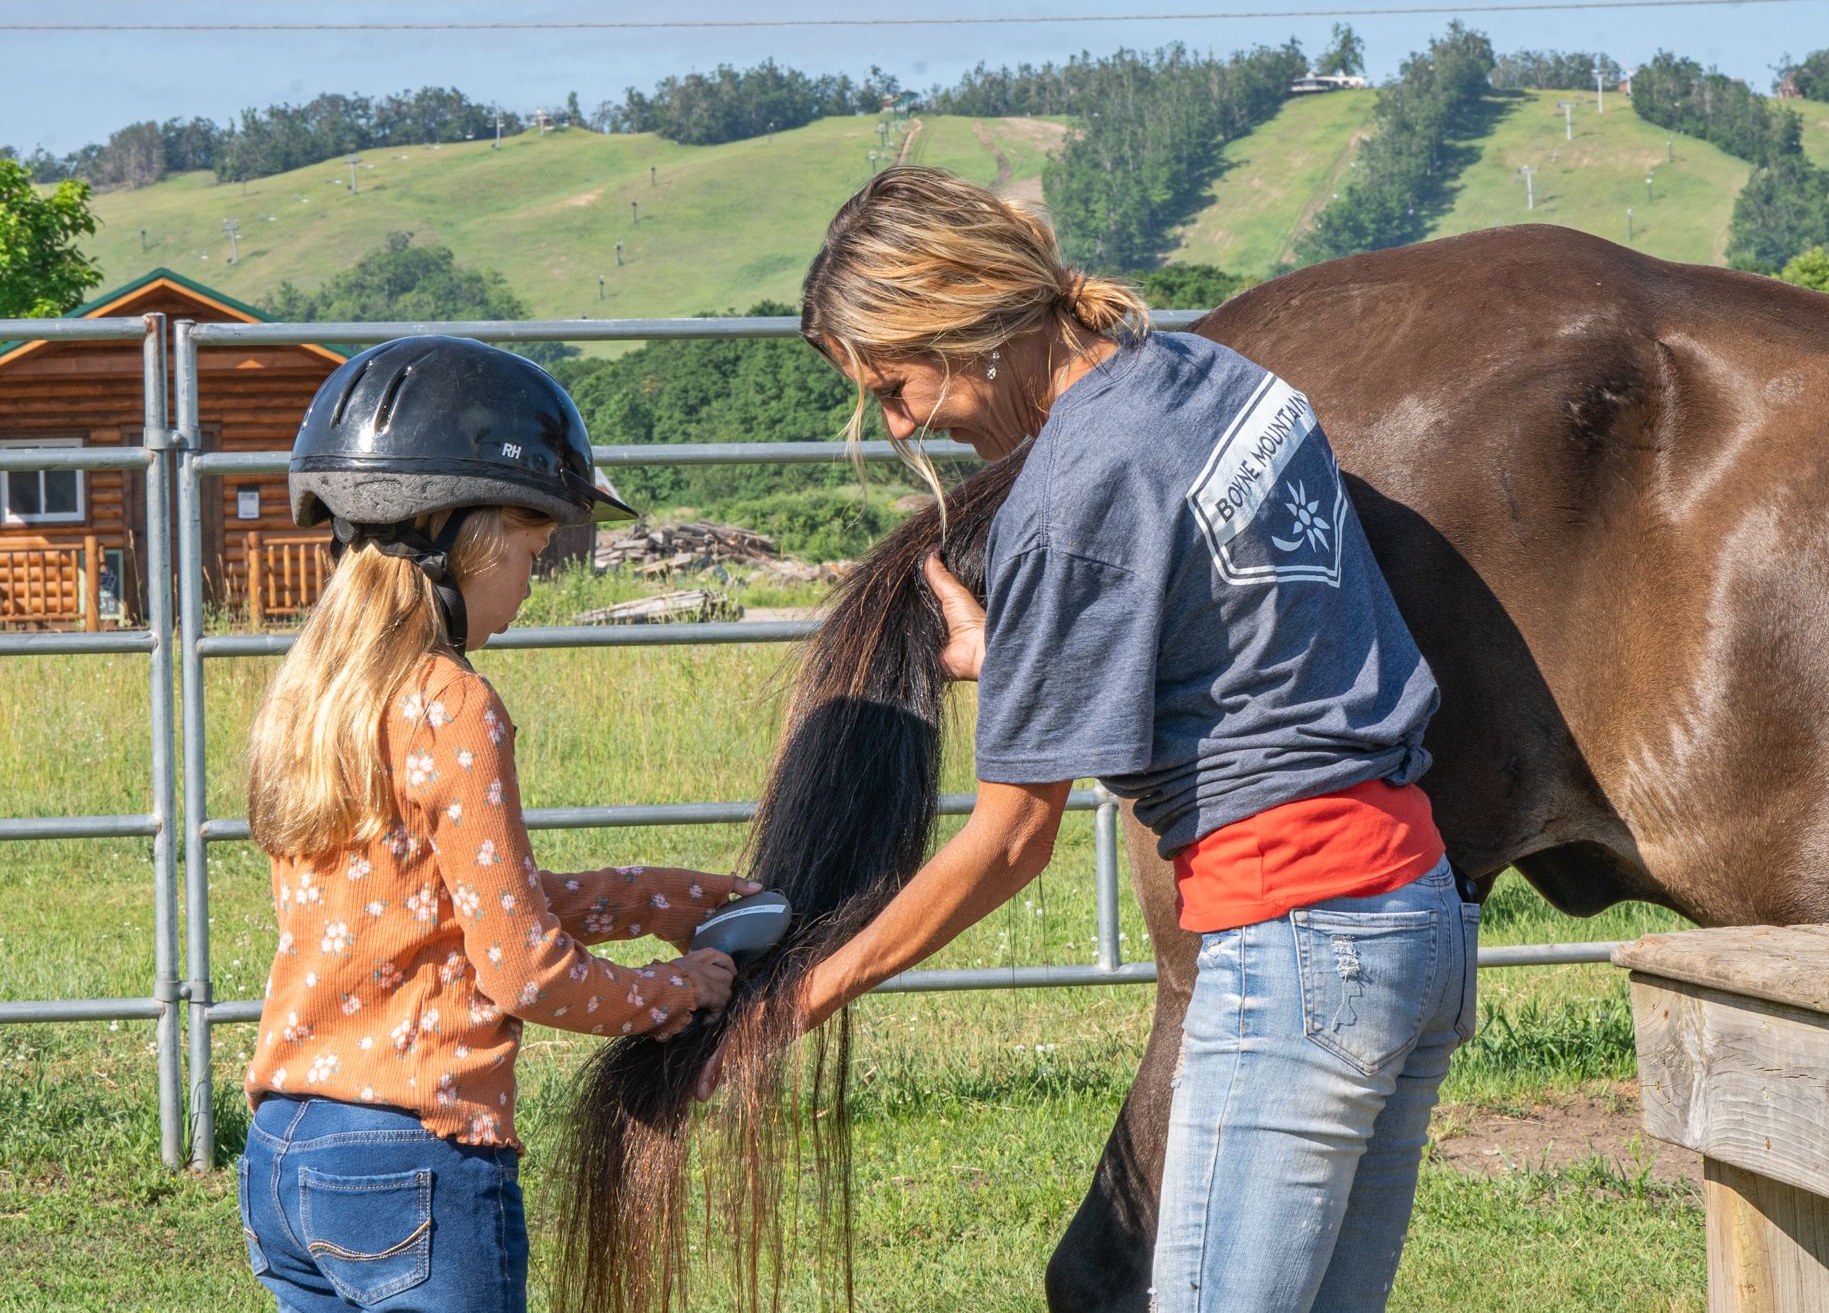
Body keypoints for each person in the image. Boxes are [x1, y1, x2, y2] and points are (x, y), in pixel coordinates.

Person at [719, 166, 1479, 1312]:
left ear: (966, 328)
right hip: (1413, 915)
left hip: (1292, 942)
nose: (898, 423)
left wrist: (801, 999)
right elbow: (1220, 614)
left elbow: (1012, 843)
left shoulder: (1072, 489)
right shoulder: (1205, 374)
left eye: (895, 384)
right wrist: (1019, 649)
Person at [235, 336, 757, 1313]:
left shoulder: (324, 699)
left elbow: (446, 911)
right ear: (457, 541)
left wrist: (657, 899)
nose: (530, 582)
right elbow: (520, 967)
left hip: (286, 1157)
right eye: (525, 551)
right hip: (415, 1154)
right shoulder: (449, 700)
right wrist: (673, 992)